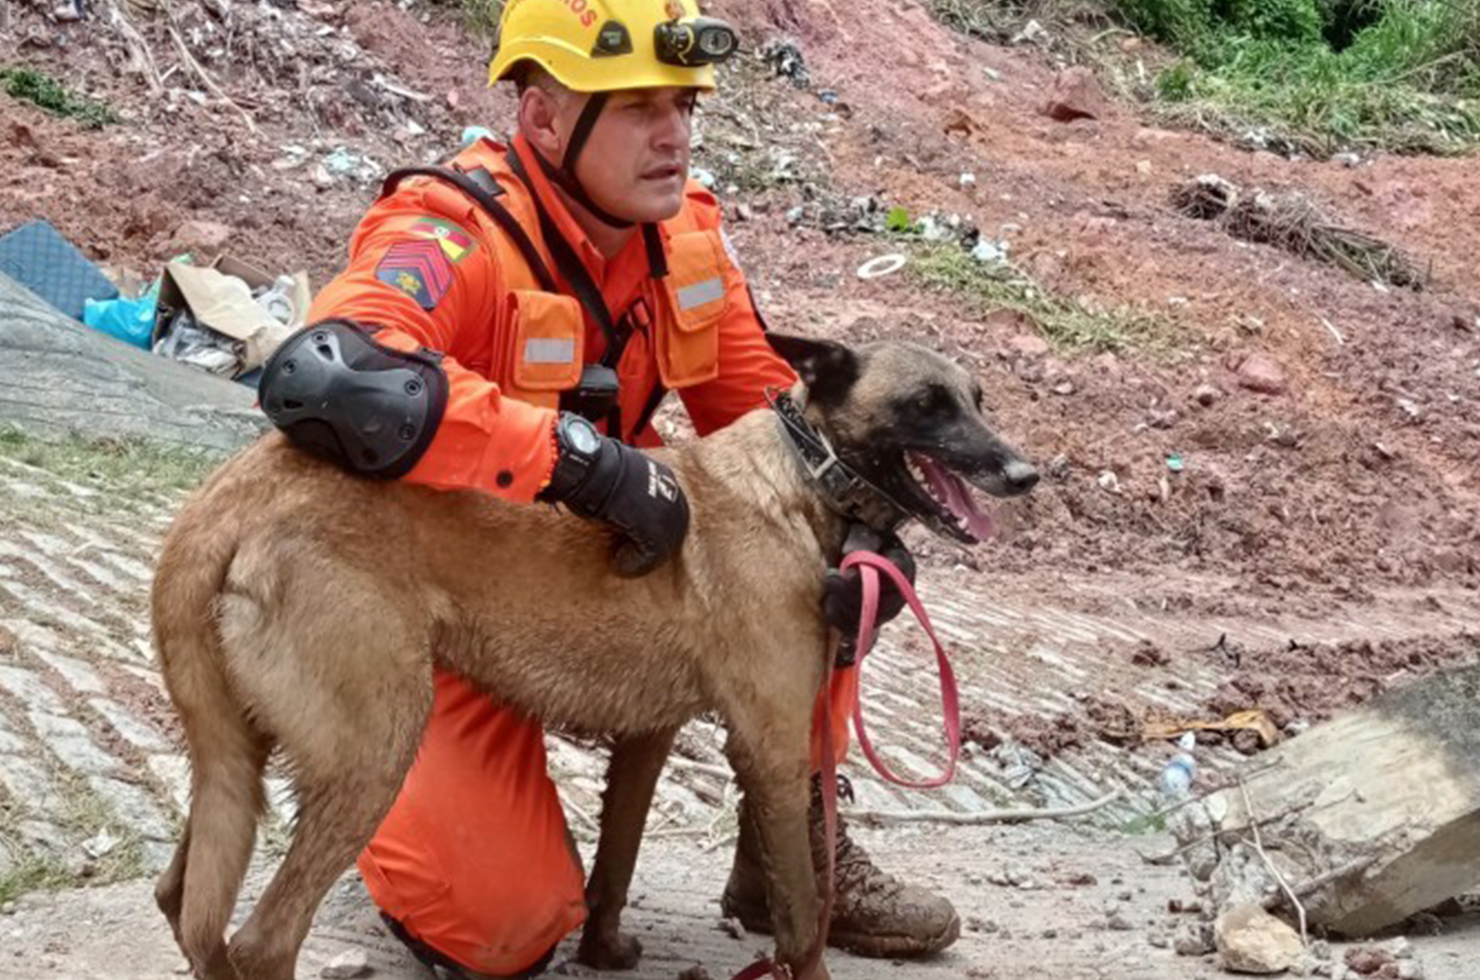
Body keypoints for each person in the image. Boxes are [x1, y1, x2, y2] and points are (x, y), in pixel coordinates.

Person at [257, 1, 959, 975]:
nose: (673, 132)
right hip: (440, 606)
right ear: (544, 118)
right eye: (635, 107)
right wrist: (577, 462)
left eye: (681, 104)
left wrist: (870, 537)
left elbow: (786, 432)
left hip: (614, 573)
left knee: (823, 574)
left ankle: (789, 845)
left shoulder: (686, 242)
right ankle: (373, 795)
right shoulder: (454, 234)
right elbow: (330, 372)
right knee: (504, 925)